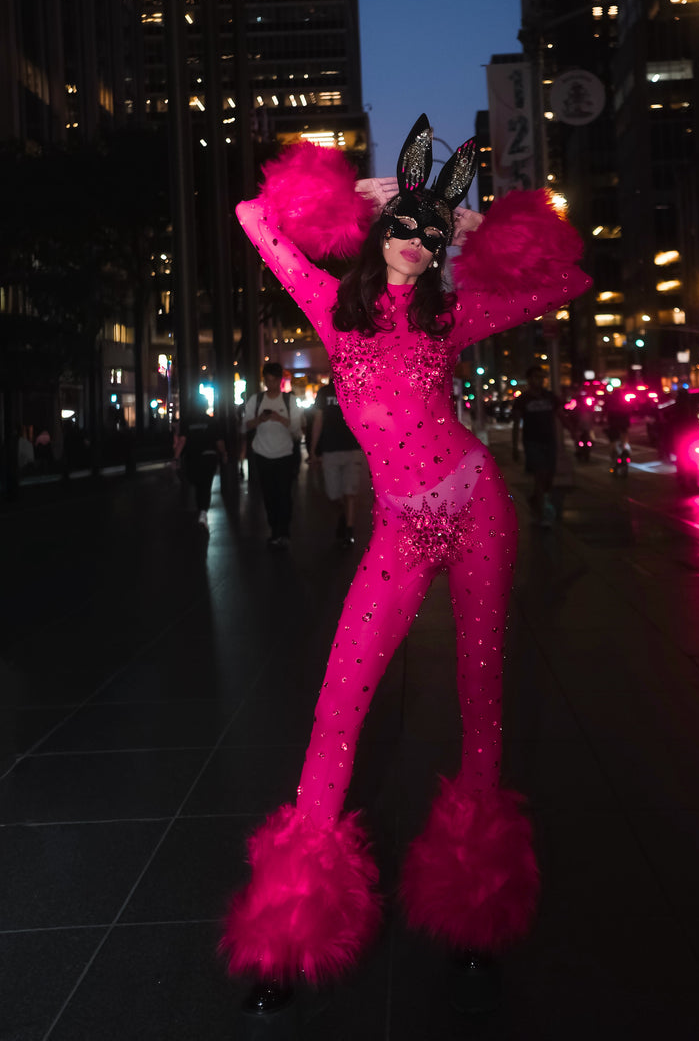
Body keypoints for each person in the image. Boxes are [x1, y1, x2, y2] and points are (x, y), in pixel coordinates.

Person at [222, 115, 591, 994]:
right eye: (410, 230)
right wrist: (359, 197)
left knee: (480, 696)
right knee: (339, 700)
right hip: (398, 527)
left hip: (477, 511)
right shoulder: (330, 305)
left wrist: (475, 227)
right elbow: (250, 215)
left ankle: (477, 907)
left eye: (434, 236)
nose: (421, 245)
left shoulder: (450, 317)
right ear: (381, 233)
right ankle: (289, 931)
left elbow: (569, 282)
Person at [243, 361, 303, 548]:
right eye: (267, 380)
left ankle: (283, 530)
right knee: (269, 495)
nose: (271, 384)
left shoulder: (289, 400)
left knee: (284, 494)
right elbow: (246, 424)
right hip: (262, 453)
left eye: (274, 380)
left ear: (280, 380)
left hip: (284, 454)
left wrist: (279, 418)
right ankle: (275, 529)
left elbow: (296, 428)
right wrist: (260, 419)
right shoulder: (256, 400)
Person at [309, 379, 363, 546]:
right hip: (330, 449)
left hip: (352, 448)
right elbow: (318, 421)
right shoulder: (324, 392)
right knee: (333, 495)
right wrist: (313, 449)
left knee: (350, 493)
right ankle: (344, 516)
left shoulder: (356, 390)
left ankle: (349, 531)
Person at [511, 365, 560, 526]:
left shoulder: (549, 397)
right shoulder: (522, 400)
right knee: (540, 476)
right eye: (536, 377)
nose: (540, 380)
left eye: (542, 377)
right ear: (530, 379)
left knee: (549, 478)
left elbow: (560, 415)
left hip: (550, 441)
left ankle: (535, 500)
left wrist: (573, 431)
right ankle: (543, 514)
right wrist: (515, 447)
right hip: (532, 442)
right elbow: (516, 423)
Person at [173, 394, 227, 530]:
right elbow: (219, 441)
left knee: (197, 483)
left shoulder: (187, 422)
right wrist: (224, 453)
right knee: (206, 485)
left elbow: (182, 441)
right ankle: (203, 512)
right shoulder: (212, 421)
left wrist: (176, 457)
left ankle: (201, 510)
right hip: (209, 457)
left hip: (193, 458)